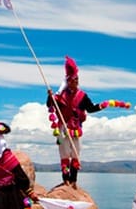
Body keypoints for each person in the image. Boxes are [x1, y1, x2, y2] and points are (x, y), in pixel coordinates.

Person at [45, 56, 105, 188]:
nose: (76, 82)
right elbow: (50, 104)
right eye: (73, 80)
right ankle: (66, 179)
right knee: (65, 154)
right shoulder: (60, 96)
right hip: (63, 128)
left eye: (77, 79)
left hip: (76, 128)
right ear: (68, 81)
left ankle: (74, 180)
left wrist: (103, 105)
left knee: (76, 154)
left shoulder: (82, 96)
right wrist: (50, 96)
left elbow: (90, 108)